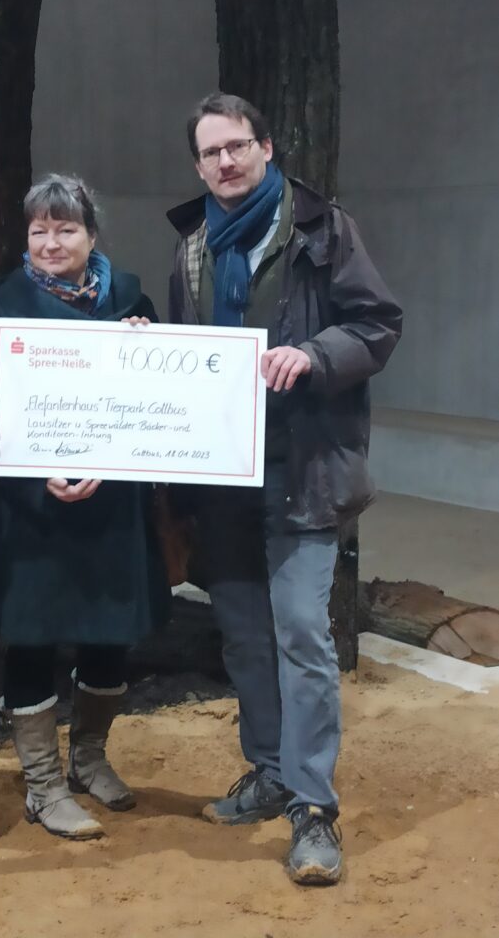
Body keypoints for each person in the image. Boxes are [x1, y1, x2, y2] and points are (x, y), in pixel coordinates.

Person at [167, 93, 402, 884]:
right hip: (223, 481)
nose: (225, 162)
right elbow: (187, 359)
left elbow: (376, 324)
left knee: (300, 631)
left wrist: (313, 354)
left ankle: (311, 808)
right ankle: (268, 769)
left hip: (303, 473)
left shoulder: (323, 230)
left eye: (237, 146)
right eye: (210, 153)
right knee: (241, 635)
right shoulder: (193, 246)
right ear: (197, 164)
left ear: (265, 147)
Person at [0, 173, 171, 840]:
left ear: (91, 235)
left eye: (65, 229)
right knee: (31, 638)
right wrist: (40, 481)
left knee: (110, 634)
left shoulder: (131, 301)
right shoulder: (0, 307)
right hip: (31, 512)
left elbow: (160, 412)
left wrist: (149, 352)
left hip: (112, 509)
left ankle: (86, 758)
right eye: (38, 230)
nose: (51, 242)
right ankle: (42, 785)